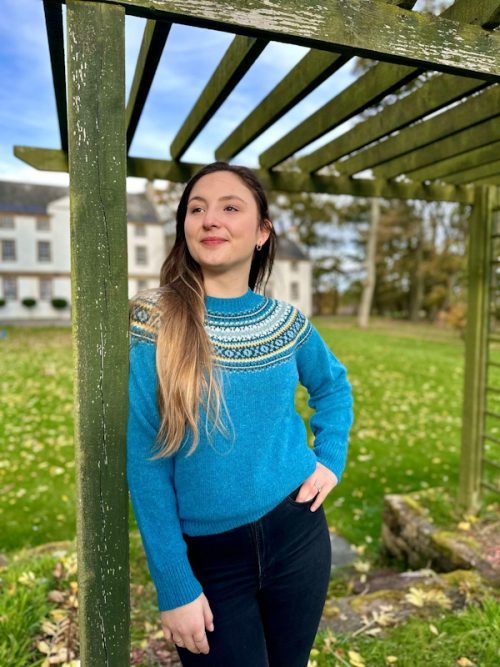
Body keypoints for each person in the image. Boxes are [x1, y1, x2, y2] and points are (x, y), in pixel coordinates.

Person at [127, 161, 354, 667]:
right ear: (184, 226)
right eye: (197, 208)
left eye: (231, 208)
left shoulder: (287, 323)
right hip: (210, 559)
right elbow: (145, 460)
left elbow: (333, 387)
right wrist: (173, 583)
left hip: (298, 534)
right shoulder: (153, 322)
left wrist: (330, 459)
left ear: (261, 232)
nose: (211, 219)